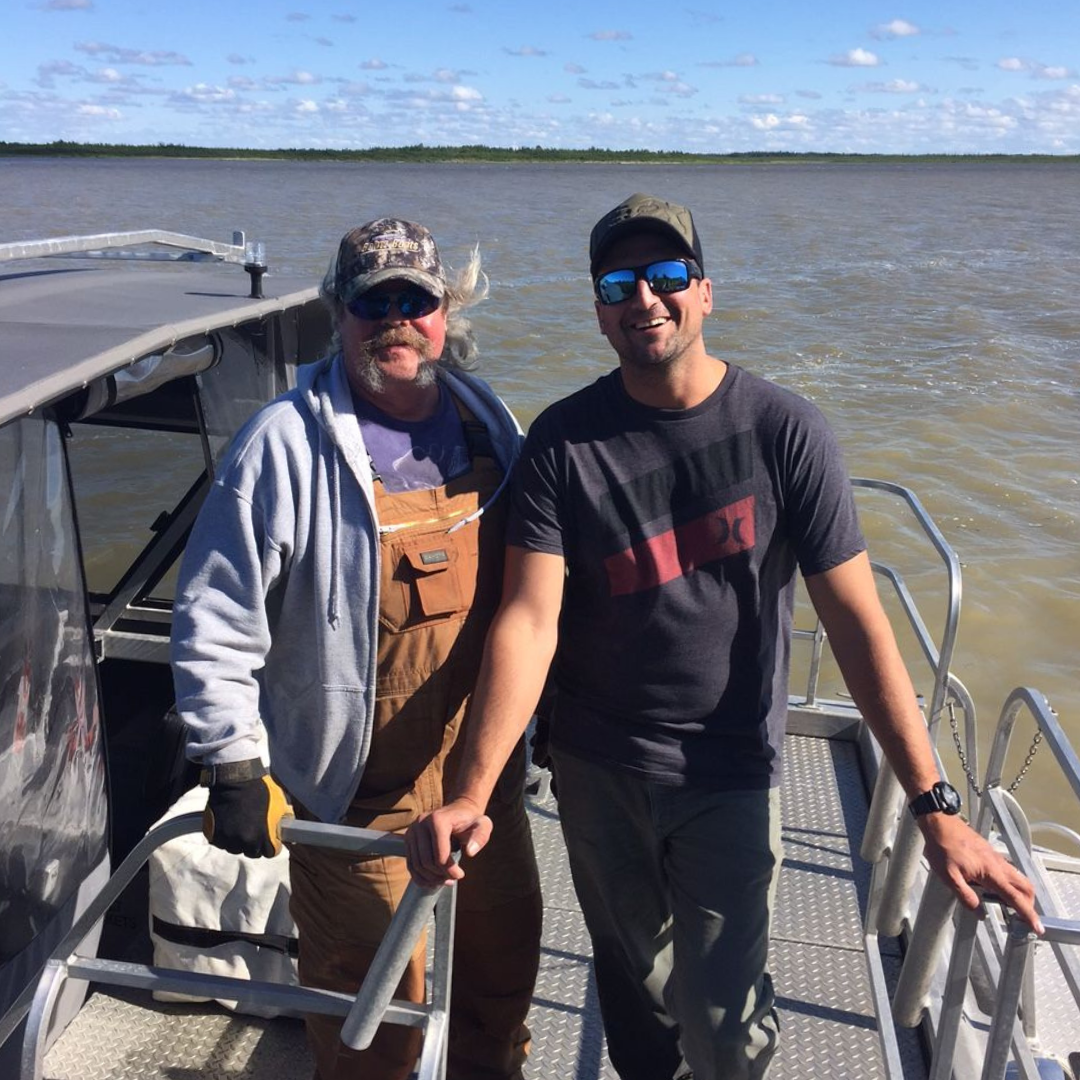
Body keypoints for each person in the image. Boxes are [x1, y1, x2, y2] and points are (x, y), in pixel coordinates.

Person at [405, 194, 1042, 1080]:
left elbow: (858, 623)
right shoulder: (561, 442)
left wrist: (935, 809)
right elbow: (529, 618)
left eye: (667, 278)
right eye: (620, 283)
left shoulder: (786, 431)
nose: (645, 299)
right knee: (634, 999)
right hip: (595, 771)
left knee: (722, 1022)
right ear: (598, 310)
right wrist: (471, 793)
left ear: (706, 293)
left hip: (728, 769)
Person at [172, 218, 542, 1080]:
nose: (396, 321)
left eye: (415, 300)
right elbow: (216, 615)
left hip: (483, 789)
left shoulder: (492, 425)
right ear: (339, 313)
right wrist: (231, 761)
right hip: (354, 807)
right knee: (373, 1033)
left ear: (447, 310)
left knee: (499, 997)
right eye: (374, 302)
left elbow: (532, 600)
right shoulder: (282, 445)